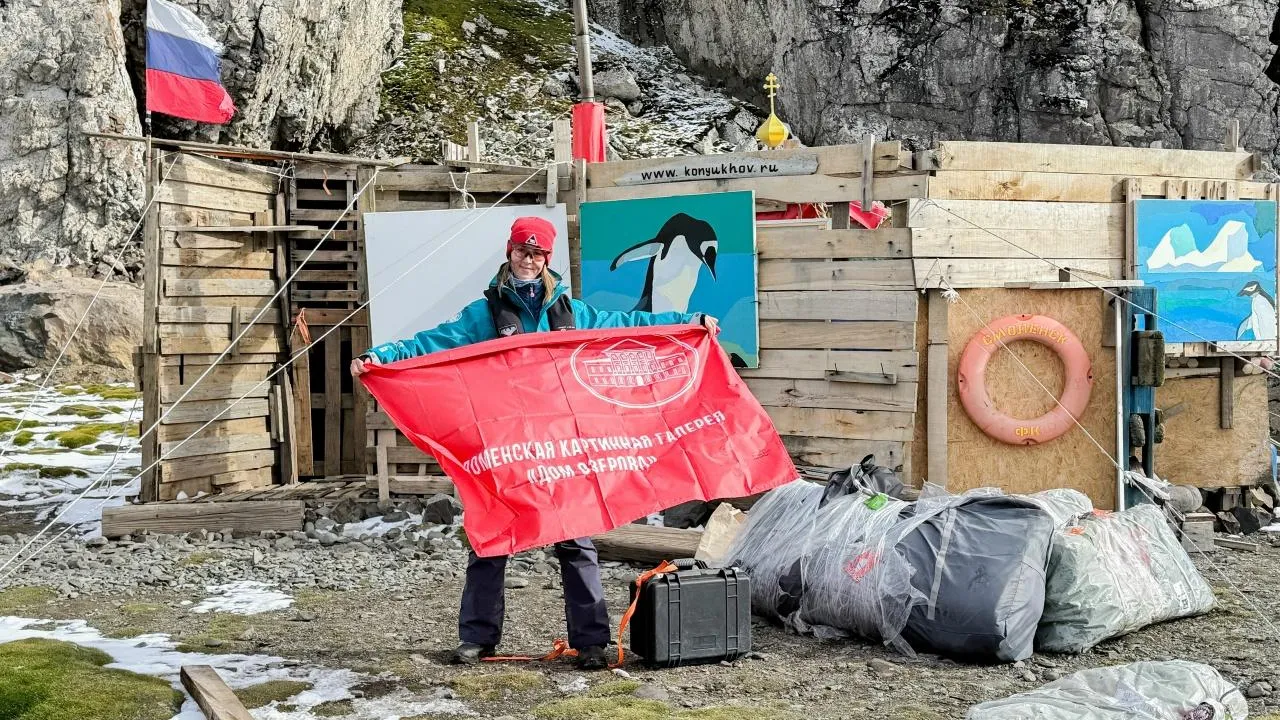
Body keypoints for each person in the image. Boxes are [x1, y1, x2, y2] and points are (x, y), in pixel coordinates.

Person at [350, 215, 719, 670]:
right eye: (522, 251)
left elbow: (629, 324)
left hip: (562, 448)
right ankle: (477, 638)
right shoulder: (483, 315)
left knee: (576, 542)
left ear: (548, 259)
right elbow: (431, 342)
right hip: (506, 448)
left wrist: (690, 321)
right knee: (492, 540)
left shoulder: (572, 312)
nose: (529, 259)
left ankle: (590, 642)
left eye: (538, 253)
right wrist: (381, 355)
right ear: (509, 253)